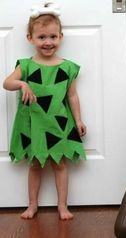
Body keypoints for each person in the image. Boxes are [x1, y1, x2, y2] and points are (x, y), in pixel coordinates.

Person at [3, 3, 86, 220]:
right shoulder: (26, 66)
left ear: (61, 36)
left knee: (60, 163)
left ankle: (62, 206)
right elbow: (7, 83)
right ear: (30, 38)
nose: (48, 42)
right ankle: (32, 205)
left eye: (52, 37)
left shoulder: (68, 68)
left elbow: (73, 96)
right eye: (41, 37)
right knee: (35, 165)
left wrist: (78, 120)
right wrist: (22, 84)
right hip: (34, 123)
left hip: (58, 122)